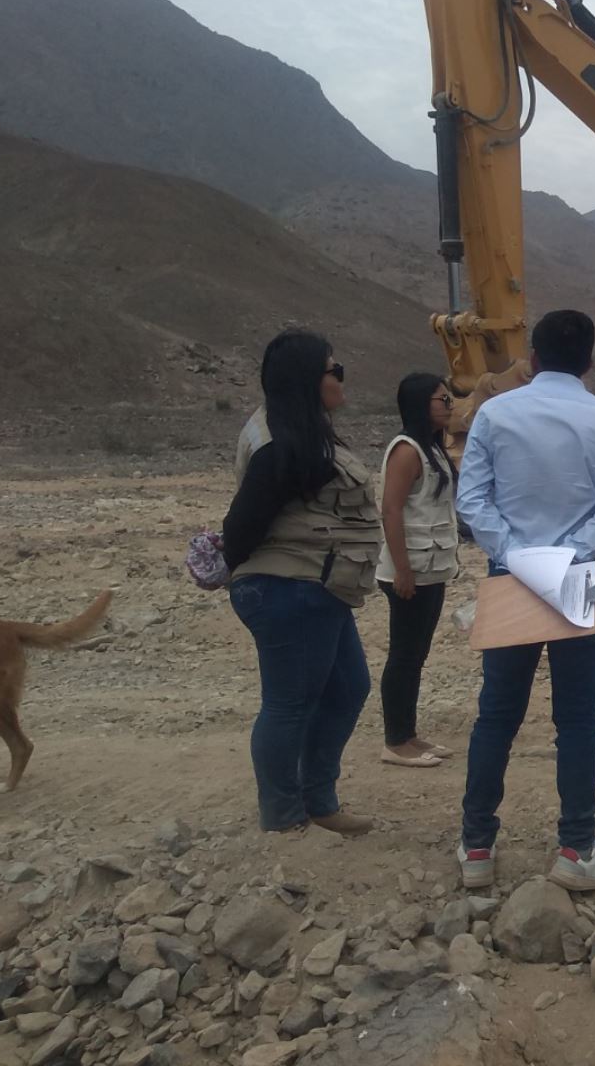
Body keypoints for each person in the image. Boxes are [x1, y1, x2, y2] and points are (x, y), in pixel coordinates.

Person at [454, 310, 595, 892]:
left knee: (497, 714)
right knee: (577, 719)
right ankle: (576, 849)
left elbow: (473, 499)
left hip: (510, 574)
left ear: (532, 358)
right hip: (580, 575)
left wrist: (515, 556)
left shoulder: (494, 412)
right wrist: (567, 557)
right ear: (589, 360)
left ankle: (477, 847)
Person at [221, 330, 381, 835]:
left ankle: (318, 801)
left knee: (348, 688)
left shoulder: (303, 434)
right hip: (291, 589)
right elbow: (239, 528)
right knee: (290, 703)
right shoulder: (280, 446)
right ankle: (285, 815)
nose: (340, 379)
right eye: (335, 370)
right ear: (308, 379)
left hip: (318, 589)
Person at [375, 373, 461, 768]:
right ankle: (395, 740)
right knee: (404, 655)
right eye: (441, 399)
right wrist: (403, 570)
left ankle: (409, 734)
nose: (449, 405)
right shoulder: (407, 450)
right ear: (418, 403)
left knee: (417, 653)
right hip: (410, 571)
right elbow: (391, 509)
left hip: (432, 568)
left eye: (449, 398)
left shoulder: (434, 449)